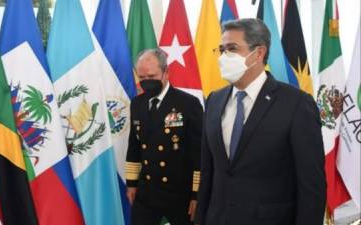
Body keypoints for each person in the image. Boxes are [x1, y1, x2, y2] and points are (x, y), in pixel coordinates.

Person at [194, 18, 326, 225]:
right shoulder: (214, 100)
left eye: (232, 49)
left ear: (259, 53)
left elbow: (311, 184)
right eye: (221, 49)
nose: (223, 57)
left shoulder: (296, 103)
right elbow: (208, 170)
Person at [126, 48, 203, 225]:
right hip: (147, 190)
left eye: (151, 77)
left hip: (179, 191)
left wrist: (197, 195)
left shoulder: (188, 104)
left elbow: (199, 153)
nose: (146, 82)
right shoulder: (137, 104)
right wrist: (132, 183)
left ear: (166, 73)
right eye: (142, 78)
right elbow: (134, 145)